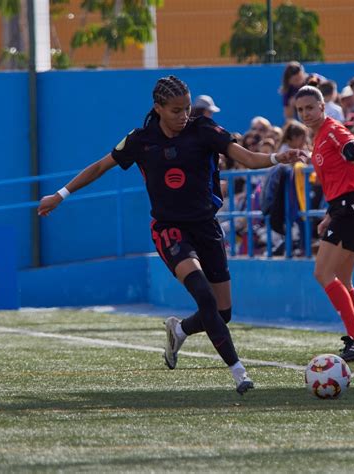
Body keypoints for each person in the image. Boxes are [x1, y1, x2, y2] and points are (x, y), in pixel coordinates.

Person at [37, 75, 306, 394]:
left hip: (206, 226)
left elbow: (245, 157)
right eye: (176, 110)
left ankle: (179, 330)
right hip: (169, 228)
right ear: (158, 108)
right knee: (203, 295)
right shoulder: (141, 139)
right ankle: (239, 372)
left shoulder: (203, 130)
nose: (183, 115)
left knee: (222, 313)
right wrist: (61, 194)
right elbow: (100, 166)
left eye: (187, 108)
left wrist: (277, 158)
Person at [294, 85, 354, 362]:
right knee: (343, 278)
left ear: (322, 107)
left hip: (350, 209)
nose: (306, 114)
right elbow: (339, 180)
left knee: (322, 273)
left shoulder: (335, 132)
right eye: (301, 110)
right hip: (341, 209)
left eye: (310, 108)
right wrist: (330, 213)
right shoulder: (319, 137)